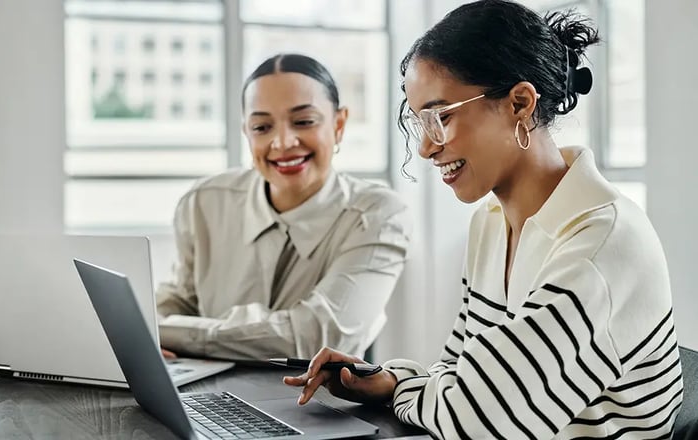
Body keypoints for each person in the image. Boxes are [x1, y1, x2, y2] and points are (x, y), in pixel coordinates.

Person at [284, 1, 683, 438]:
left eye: (443, 117)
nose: (426, 148)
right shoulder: (490, 223)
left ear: (519, 103)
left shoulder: (603, 243)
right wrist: (392, 379)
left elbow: (475, 419)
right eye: (421, 122)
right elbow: (457, 369)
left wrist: (409, 389)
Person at [155, 54, 412, 361]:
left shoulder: (378, 214)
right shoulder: (204, 202)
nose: (283, 142)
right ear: (246, 133)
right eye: (262, 127)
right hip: (209, 396)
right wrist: (146, 335)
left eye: (303, 122)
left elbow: (317, 339)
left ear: (339, 124)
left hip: (320, 404)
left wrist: (170, 332)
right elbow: (176, 303)